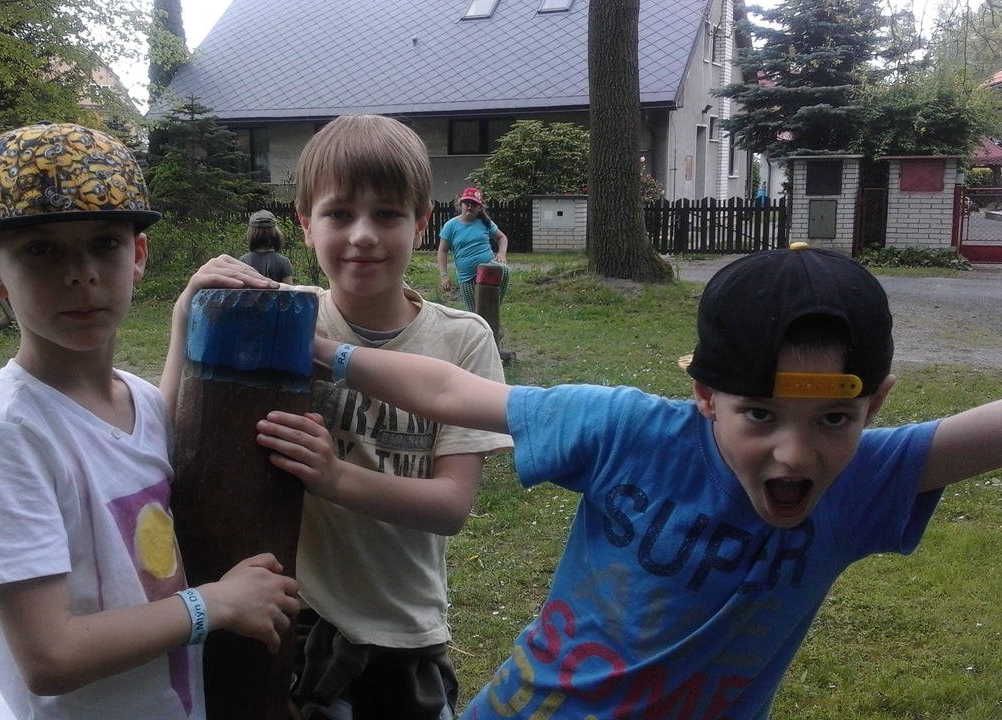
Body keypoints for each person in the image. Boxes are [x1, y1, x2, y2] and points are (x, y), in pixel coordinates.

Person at [272, 243, 1002, 719]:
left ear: (876, 405)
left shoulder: (866, 481)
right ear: (706, 395)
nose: (795, 454)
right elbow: (449, 391)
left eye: (835, 419)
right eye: (760, 413)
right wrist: (329, 354)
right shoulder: (625, 431)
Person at [0, 122, 299, 720]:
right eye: (41, 249)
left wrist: (184, 314)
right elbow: (50, 656)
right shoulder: (6, 434)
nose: (80, 273)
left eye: (105, 243)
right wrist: (214, 604)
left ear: (136, 256)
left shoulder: (135, 399)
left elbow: (154, 439)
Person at [238, 114, 513, 719]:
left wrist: (333, 477)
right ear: (305, 224)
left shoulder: (462, 340)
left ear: (421, 223)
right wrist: (189, 309)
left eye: (387, 214)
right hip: (300, 623)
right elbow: (181, 445)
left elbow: (451, 506)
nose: (362, 235)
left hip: (407, 628)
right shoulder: (279, 318)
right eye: (339, 214)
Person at [437, 188, 509, 313]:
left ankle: (493, 308)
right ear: (460, 204)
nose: (470, 207)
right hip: (466, 277)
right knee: (474, 313)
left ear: (480, 208)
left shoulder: (485, 223)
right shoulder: (451, 225)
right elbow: (442, 251)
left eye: (474, 204)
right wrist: (444, 275)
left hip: (487, 269)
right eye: (467, 203)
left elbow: (502, 238)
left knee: (504, 270)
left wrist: (501, 254)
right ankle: (482, 319)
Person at [239, 209, 295, 283]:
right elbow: (288, 289)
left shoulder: (242, 262)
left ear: (251, 233)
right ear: (275, 233)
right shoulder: (283, 262)